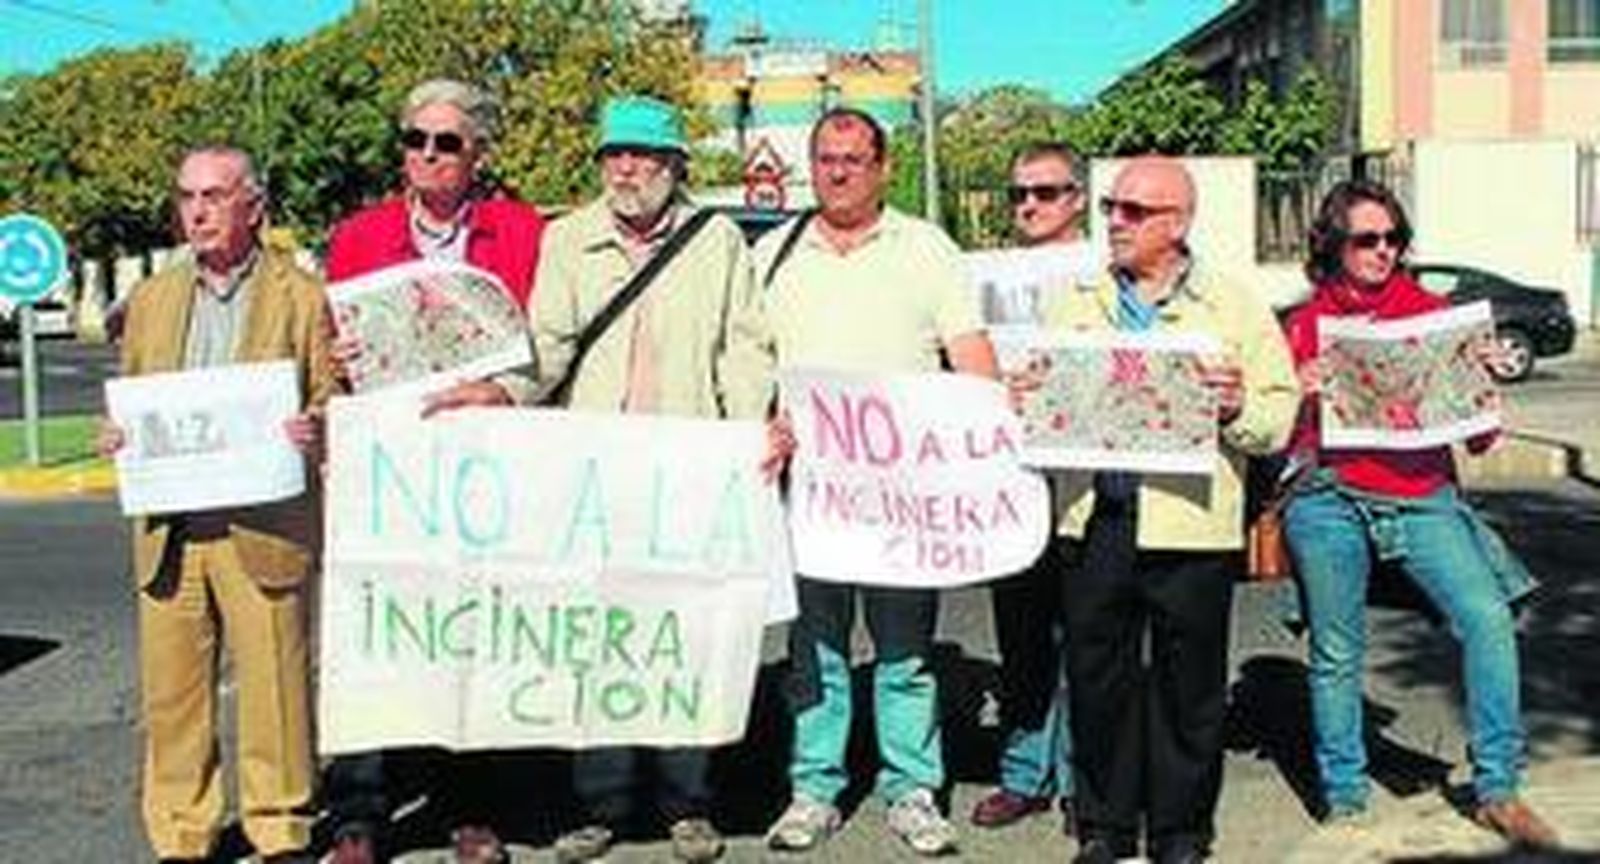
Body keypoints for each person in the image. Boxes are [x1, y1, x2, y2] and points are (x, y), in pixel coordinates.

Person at [526, 94, 774, 864]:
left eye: (640, 156)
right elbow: (546, 346)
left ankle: (687, 801)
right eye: (613, 156)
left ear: (674, 167)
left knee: (683, 640)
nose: (624, 170)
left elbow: (744, 345)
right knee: (598, 641)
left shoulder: (718, 241)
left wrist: (749, 435)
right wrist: (496, 400)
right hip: (595, 477)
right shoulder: (567, 239)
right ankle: (599, 803)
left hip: (690, 474)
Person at [1034, 157, 1299, 864]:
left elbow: (1279, 414)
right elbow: (1040, 402)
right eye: (1109, 208)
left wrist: (1239, 405)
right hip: (1096, 519)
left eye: (1132, 211)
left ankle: (1181, 831)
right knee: (1098, 683)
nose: (1113, 222)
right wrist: (1028, 395)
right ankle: (1105, 826)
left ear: (1176, 224)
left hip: (1191, 523)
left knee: (1190, 687)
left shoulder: (1232, 305)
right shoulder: (1074, 300)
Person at [1280, 179, 1559, 848]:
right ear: (1332, 245)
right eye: (1366, 239)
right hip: (1328, 498)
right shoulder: (1306, 325)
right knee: (1337, 652)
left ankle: (1498, 789)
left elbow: (1481, 439)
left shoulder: (1433, 315)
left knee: (1487, 620)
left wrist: (1482, 389)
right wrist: (1297, 391)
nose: (1383, 251)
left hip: (1420, 497)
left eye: (1393, 238)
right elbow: (1271, 436)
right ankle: (1345, 797)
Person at [759, 107, 999, 858]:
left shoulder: (926, 248)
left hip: (903, 499)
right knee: (817, 647)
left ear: (883, 167)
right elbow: (748, 366)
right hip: (813, 492)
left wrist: (991, 438)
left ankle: (912, 788)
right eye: (826, 158)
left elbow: (970, 356)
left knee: (904, 650)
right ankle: (814, 788)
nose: (837, 172)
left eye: (854, 159)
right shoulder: (772, 253)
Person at [321, 78, 546, 864]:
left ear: (477, 153)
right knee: (374, 629)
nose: (426, 154)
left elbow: (547, 347)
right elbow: (322, 353)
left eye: (445, 142)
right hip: (386, 469)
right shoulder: (356, 236)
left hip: (484, 467)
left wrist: (505, 389)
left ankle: (469, 808)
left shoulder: (522, 233)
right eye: (414, 139)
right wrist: (336, 359)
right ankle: (359, 807)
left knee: (466, 636)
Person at [99, 145, 336, 864]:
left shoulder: (301, 295)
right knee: (173, 699)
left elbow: (333, 395)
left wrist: (315, 426)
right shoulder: (151, 299)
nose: (197, 211)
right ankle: (182, 833)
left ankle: (281, 829)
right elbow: (135, 400)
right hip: (171, 531)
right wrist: (117, 435)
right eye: (186, 197)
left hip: (263, 525)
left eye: (214, 196)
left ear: (253, 207)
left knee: (276, 689)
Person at [971, 142, 1097, 835]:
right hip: (1008, 476)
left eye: (1045, 193)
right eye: (1019, 193)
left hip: (1082, 478)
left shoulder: (1108, 272)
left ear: (1077, 197)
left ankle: (1086, 780)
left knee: (1089, 634)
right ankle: (1024, 774)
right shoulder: (982, 275)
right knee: (1021, 633)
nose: (1028, 206)